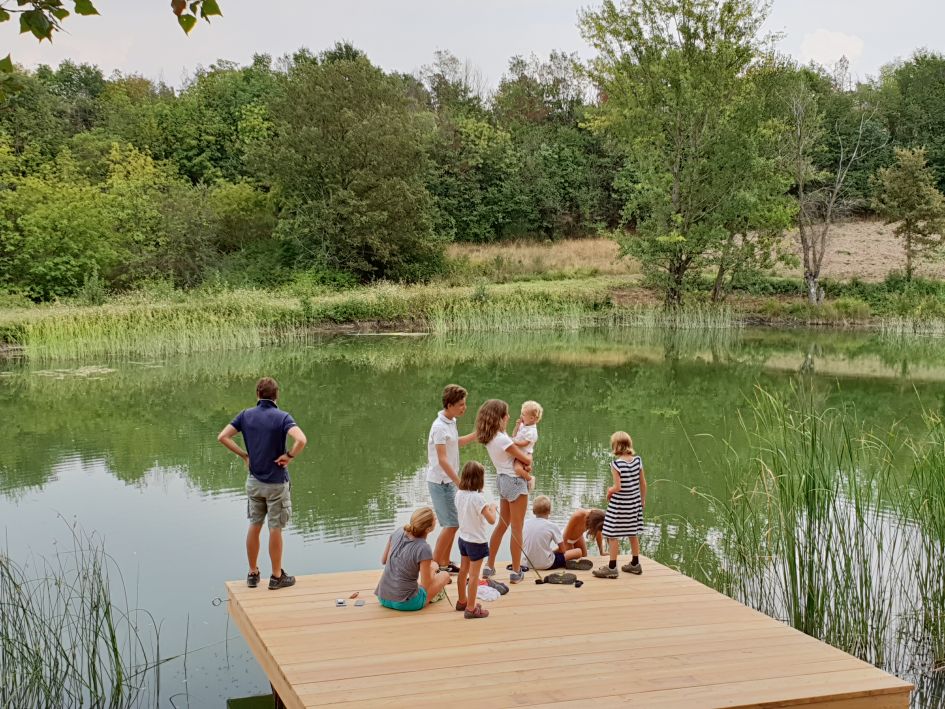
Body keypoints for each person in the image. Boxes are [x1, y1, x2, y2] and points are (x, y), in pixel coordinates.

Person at [218, 376, 307, 591]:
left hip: (254, 481)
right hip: (276, 483)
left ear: (257, 394)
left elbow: (223, 436)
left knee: (255, 525)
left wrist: (244, 456)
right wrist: (289, 456)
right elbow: (301, 440)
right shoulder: (283, 417)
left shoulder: (246, 415)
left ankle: (252, 573)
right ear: (276, 395)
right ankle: (277, 576)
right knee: (275, 527)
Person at [476, 399, 533, 584]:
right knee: (517, 528)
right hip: (515, 483)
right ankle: (516, 571)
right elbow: (525, 458)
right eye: (506, 414)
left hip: (501, 480)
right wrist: (528, 462)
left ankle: (489, 566)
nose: (509, 417)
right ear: (499, 418)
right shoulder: (502, 440)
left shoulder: (492, 436)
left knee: (502, 525)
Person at [426, 384, 477, 573]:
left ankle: (444, 562)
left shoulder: (451, 421)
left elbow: (455, 443)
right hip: (440, 482)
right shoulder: (439, 427)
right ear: (449, 405)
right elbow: (442, 459)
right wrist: (459, 482)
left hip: (449, 482)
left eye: (465, 404)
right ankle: (435, 565)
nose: (464, 408)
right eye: (461, 405)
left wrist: (476, 435)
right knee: (451, 524)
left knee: (453, 524)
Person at [593, 431, 647, 579]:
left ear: (616, 446)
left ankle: (611, 568)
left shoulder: (616, 464)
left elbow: (618, 487)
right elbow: (643, 483)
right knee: (632, 532)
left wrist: (609, 491)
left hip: (619, 505)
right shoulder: (637, 461)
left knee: (612, 534)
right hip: (634, 503)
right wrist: (642, 500)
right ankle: (635, 564)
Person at [375, 507, 452, 611]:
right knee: (445, 575)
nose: (436, 520)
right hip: (406, 603)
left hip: (383, 597)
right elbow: (426, 585)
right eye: (435, 519)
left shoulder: (398, 531)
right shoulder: (423, 548)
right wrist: (433, 568)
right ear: (428, 529)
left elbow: (384, 560)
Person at [454, 462, 497, 619]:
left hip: (463, 539)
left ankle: (462, 601)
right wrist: (492, 508)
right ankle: (471, 609)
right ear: (480, 479)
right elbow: (492, 520)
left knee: (463, 571)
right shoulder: (478, 498)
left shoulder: (459, 494)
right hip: (476, 542)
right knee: (474, 576)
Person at [522, 496, 594, 571]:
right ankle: (566, 563)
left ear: (533, 511)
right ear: (549, 511)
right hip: (546, 564)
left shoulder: (525, 523)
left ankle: (564, 562)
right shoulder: (552, 526)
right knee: (578, 551)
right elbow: (563, 550)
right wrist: (551, 552)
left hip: (527, 563)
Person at [512, 401, 542, 492]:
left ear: (532, 418)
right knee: (525, 468)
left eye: (523, 414)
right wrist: (517, 426)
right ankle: (526, 470)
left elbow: (525, 443)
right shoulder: (523, 425)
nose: (521, 416)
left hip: (524, 453)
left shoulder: (532, 431)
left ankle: (530, 479)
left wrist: (514, 443)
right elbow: (514, 435)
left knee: (517, 469)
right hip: (520, 452)